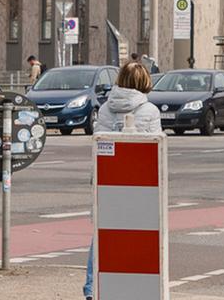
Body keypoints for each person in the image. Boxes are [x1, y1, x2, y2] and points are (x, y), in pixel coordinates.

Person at [84, 60, 161, 297]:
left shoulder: (105, 109)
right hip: (140, 184)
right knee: (138, 234)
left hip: (106, 179)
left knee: (102, 234)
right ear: (144, 81)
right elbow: (155, 152)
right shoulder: (150, 111)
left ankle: (92, 288)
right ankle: (134, 288)